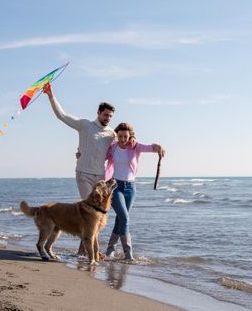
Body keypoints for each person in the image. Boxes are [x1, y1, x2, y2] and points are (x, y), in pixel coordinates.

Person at [42, 83, 116, 256]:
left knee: (96, 217)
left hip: (100, 177)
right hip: (83, 174)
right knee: (90, 214)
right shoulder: (85, 125)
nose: (107, 118)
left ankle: (85, 251)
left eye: (110, 116)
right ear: (98, 113)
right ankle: (88, 252)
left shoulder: (111, 134)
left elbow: (119, 147)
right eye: (105, 115)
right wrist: (51, 95)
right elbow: (62, 116)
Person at [103, 122, 165, 261]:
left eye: (125, 136)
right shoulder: (112, 148)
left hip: (131, 188)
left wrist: (159, 147)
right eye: (120, 136)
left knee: (120, 219)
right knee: (125, 218)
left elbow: (151, 148)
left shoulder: (135, 147)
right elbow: (98, 156)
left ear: (130, 136)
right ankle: (128, 255)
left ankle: (109, 251)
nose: (123, 139)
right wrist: (81, 154)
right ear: (117, 136)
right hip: (114, 186)